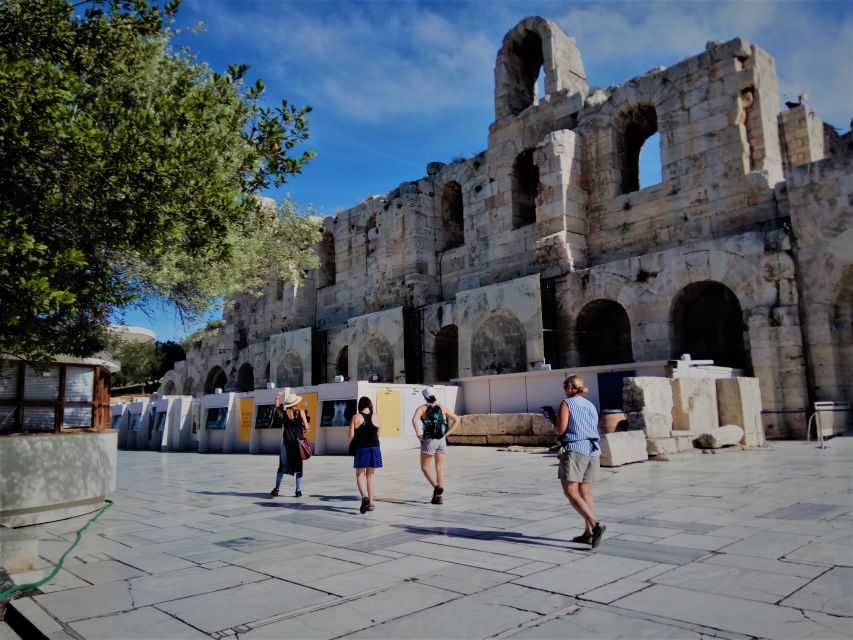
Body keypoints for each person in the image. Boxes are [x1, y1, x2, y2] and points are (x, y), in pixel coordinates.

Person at [555, 374, 605, 548]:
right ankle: (589, 534)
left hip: (576, 449)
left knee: (571, 491)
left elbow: (561, 429)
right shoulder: (590, 405)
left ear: (569, 387)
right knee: (586, 493)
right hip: (593, 450)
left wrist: (552, 420)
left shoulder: (567, 403)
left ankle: (595, 524)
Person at [412, 387, 460, 504]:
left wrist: (419, 434)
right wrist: (447, 433)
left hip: (429, 440)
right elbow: (457, 419)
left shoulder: (422, 408)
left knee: (425, 467)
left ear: (425, 397)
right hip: (441, 440)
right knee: (439, 467)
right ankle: (439, 497)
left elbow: (414, 420)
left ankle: (436, 487)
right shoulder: (442, 408)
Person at [269, 391, 309, 498]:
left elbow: (277, 407)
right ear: (296, 403)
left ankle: (277, 489)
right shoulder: (301, 412)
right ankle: (298, 491)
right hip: (298, 444)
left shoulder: (285, 413)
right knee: (299, 468)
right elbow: (307, 427)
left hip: (286, 444)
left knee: (281, 466)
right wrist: (303, 428)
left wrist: (277, 397)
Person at [348, 396, 383, 514]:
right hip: (374, 447)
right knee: (371, 476)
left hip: (361, 448)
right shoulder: (377, 416)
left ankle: (364, 497)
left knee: (359, 474)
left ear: (360, 405)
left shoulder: (356, 417)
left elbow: (351, 436)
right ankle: (371, 502)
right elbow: (378, 433)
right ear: (370, 404)